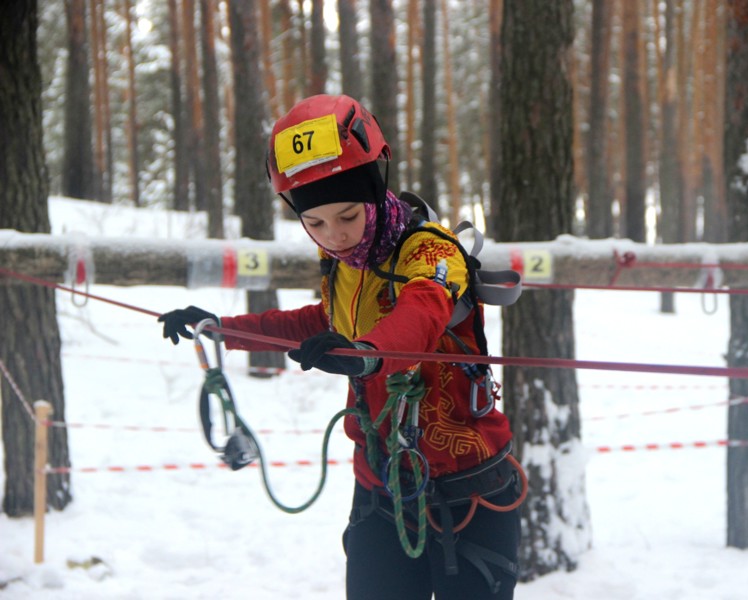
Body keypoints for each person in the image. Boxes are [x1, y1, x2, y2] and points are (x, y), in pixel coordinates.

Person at [158, 94, 523, 600]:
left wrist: (367, 352)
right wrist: (222, 328)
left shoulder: (433, 251)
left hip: (470, 493)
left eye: (348, 215)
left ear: (376, 188)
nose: (335, 236)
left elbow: (423, 310)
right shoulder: (346, 266)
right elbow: (319, 320)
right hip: (380, 489)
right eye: (316, 223)